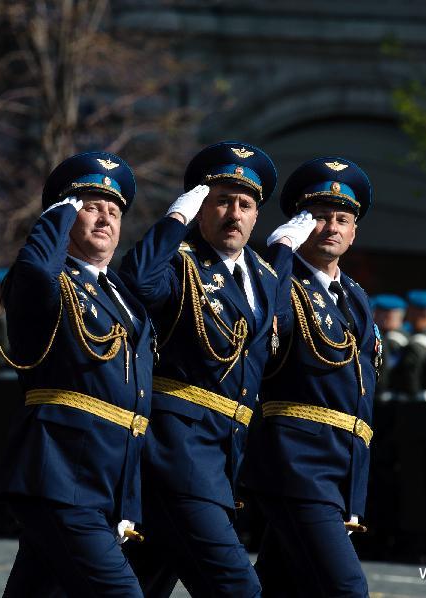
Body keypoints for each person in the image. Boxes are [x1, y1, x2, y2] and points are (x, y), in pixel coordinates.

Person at [119, 141, 315, 597]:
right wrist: (173, 222)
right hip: (176, 456)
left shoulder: (265, 276)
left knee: (141, 585)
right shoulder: (180, 263)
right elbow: (139, 284)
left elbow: (279, 326)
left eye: (246, 205)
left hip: (225, 459)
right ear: (199, 208)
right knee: (237, 587)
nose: (234, 213)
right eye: (221, 201)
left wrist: (284, 254)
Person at [0, 151, 154, 596]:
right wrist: (60, 210)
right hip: (60, 474)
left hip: (105, 482)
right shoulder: (50, 279)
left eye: (114, 211)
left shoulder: (124, 296)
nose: (105, 219)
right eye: (91, 207)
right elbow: (34, 270)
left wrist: (128, 498)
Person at [241, 156, 380, 597]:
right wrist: (279, 254)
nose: (332, 228)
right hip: (297, 461)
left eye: (343, 219)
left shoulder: (355, 296)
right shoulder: (280, 281)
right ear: (301, 224)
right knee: (345, 588)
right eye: (320, 218)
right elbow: (267, 323)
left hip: (342, 464)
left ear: (355, 231)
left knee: (281, 585)